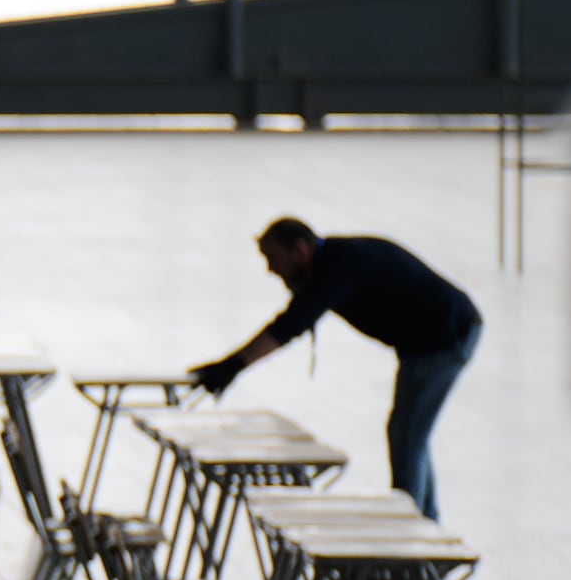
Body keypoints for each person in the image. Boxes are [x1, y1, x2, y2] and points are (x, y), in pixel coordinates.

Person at [195, 216, 485, 518]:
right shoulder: (333, 261)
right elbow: (292, 321)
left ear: (299, 249)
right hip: (428, 341)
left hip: (446, 335)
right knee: (409, 433)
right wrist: (231, 366)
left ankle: (411, 524)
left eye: (273, 259)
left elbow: (290, 324)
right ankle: (422, 519)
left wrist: (233, 366)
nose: (271, 270)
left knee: (408, 435)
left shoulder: (341, 264)